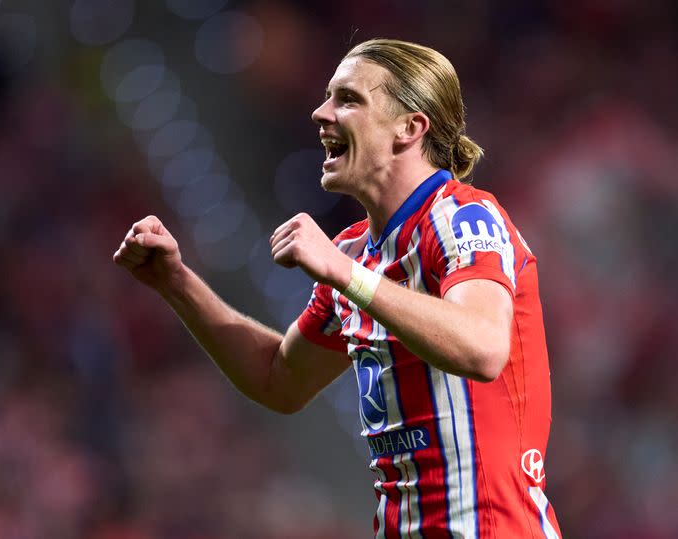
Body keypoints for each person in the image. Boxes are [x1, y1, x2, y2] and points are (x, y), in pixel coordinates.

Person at [114, 39, 561, 538]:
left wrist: (345, 275)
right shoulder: (355, 252)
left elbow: (483, 348)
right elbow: (277, 379)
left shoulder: (462, 217)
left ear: (409, 128)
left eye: (347, 99)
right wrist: (175, 282)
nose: (320, 112)